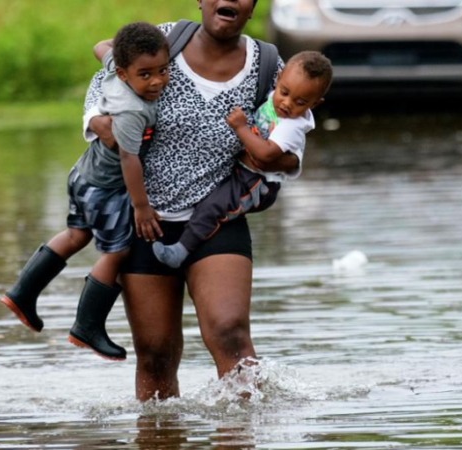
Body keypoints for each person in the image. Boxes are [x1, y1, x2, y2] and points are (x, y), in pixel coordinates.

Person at [84, 0, 300, 401]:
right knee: (154, 353)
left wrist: (279, 158)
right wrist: (98, 122)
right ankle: (159, 438)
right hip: (145, 220)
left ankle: (244, 433)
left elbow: (293, 137)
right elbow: (103, 83)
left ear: (252, 7)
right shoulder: (163, 37)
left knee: (229, 331)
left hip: (217, 217)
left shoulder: (271, 66)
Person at [0, 22, 170, 361]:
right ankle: (87, 326)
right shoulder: (132, 110)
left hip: (82, 175)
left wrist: (118, 49)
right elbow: (128, 158)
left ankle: (22, 293)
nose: (157, 81)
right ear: (124, 75)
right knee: (117, 251)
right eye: (145, 74)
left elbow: (99, 46)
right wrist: (140, 207)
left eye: (163, 70)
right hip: (106, 188)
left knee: (77, 234)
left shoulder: (115, 67)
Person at [153, 51, 333, 268]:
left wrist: (240, 128)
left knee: (214, 207)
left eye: (300, 102)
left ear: (314, 104)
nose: (287, 103)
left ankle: (180, 251)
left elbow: (265, 155)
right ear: (278, 78)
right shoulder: (272, 96)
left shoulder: (292, 126)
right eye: (284, 92)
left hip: (257, 183)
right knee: (207, 198)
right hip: (243, 173)